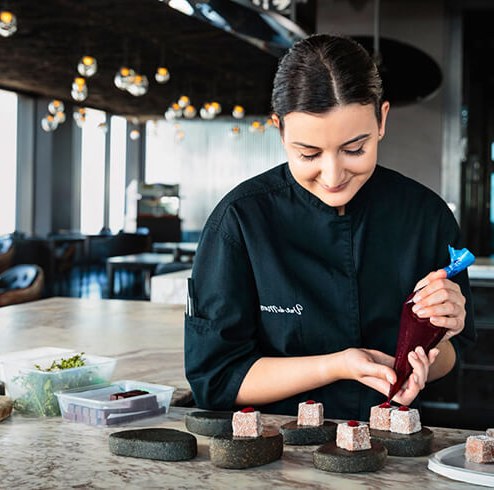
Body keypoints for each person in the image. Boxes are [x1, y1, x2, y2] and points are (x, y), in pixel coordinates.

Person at [184, 33, 475, 420]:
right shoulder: (239, 221)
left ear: (382, 120)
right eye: (308, 154)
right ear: (280, 130)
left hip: (390, 444)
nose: (333, 175)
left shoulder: (426, 216)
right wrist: (336, 365)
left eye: (355, 149)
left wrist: (433, 350)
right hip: (275, 451)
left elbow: (450, 358)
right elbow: (217, 379)